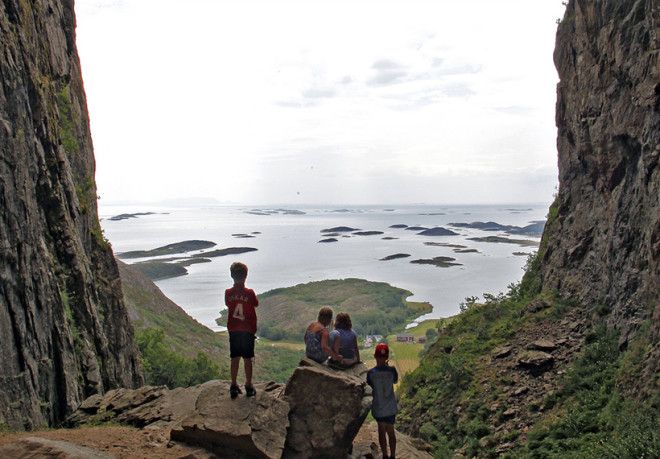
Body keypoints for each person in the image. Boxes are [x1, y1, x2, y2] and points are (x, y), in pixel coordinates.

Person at [225, 262, 259, 399]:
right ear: (245, 276)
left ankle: (233, 385)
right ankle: (249, 385)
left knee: (234, 358)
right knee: (247, 359)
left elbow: (228, 303)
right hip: (247, 330)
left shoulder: (228, 292)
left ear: (231, 275)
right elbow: (256, 303)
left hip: (233, 329)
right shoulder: (249, 293)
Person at [367, 343, 398, 459]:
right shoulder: (392, 371)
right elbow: (395, 381)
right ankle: (393, 455)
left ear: (375, 356)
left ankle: (385, 455)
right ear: (387, 357)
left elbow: (370, 385)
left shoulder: (371, 373)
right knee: (391, 432)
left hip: (379, 406)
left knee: (381, 431)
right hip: (390, 407)